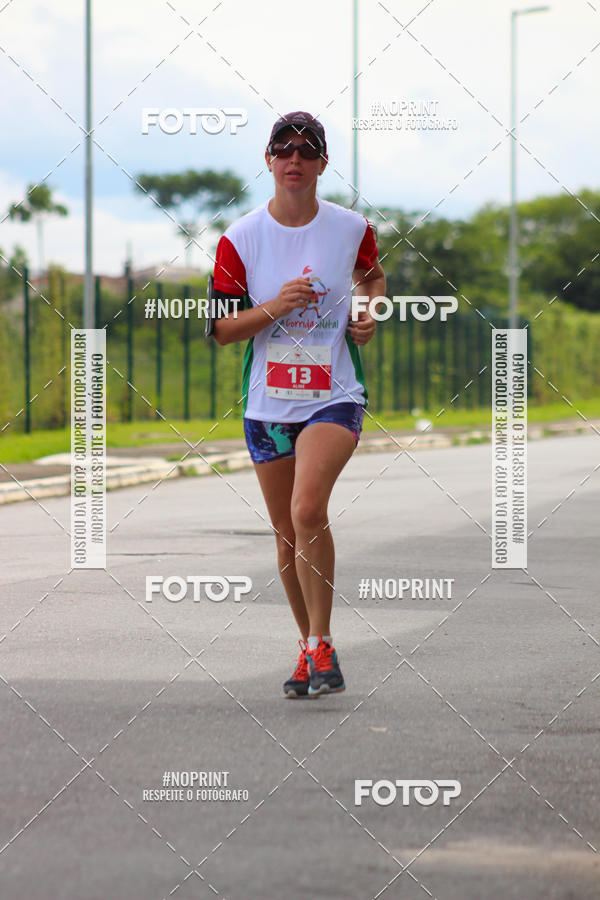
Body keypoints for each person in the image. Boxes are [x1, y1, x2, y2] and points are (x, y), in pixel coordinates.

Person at [207, 111, 386, 697]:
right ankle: (308, 647)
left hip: (332, 398)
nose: (295, 161)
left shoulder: (350, 227)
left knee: (309, 510)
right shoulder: (241, 239)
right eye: (284, 151)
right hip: (267, 406)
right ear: (268, 160)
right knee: (286, 532)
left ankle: (324, 641)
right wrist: (277, 306)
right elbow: (222, 330)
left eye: (307, 152)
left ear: (322, 165)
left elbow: (373, 278)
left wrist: (368, 314)